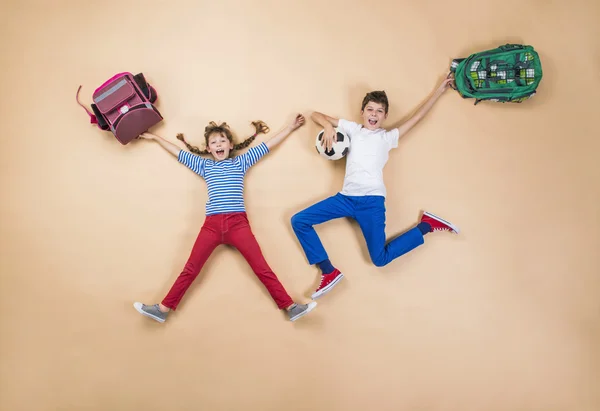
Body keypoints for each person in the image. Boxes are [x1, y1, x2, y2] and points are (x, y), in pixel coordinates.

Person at [134, 114, 317, 322]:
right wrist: (157, 138)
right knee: (190, 269)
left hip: (238, 225)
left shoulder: (241, 162)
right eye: (214, 142)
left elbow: (267, 146)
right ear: (209, 149)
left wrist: (290, 127)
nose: (218, 144)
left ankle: (291, 307)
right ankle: (162, 309)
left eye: (222, 141)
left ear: (230, 145)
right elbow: (179, 153)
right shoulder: (205, 166)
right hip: (211, 226)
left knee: (262, 267)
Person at [290, 77, 459, 299]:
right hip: (346, 198)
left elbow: (418, 117)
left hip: (371, 202)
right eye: (370, 109)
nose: (374, 114)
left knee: (379, 259)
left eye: (380, 111)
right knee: (299, 220)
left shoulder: (388, 138)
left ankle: (426, 226)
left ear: (385, 116)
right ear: (362, 112)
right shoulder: (352, 129)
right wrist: (328, 126)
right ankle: (328, 271)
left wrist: (440, 90)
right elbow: (315, 115)